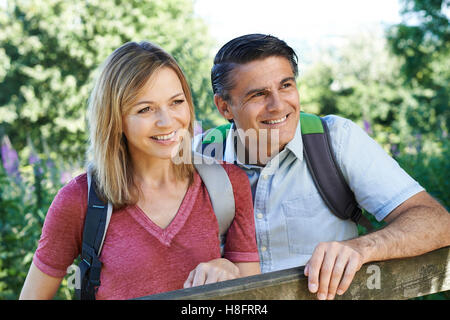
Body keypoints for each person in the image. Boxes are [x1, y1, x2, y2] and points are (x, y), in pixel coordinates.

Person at [194, 33, 450, 300]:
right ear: (224, 107)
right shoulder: (198, 156)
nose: (278, 105)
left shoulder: (337, 140)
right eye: (259, 94)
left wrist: (362, 248)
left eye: (285, 86)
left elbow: (437, 222)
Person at [19, 41, 260, 300]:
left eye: (176, 102)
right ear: (115, 119)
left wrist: (228, 269)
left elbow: (255, 298)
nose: (167, 121)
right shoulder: (78, 201)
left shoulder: (228, 185)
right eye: (145, 109)